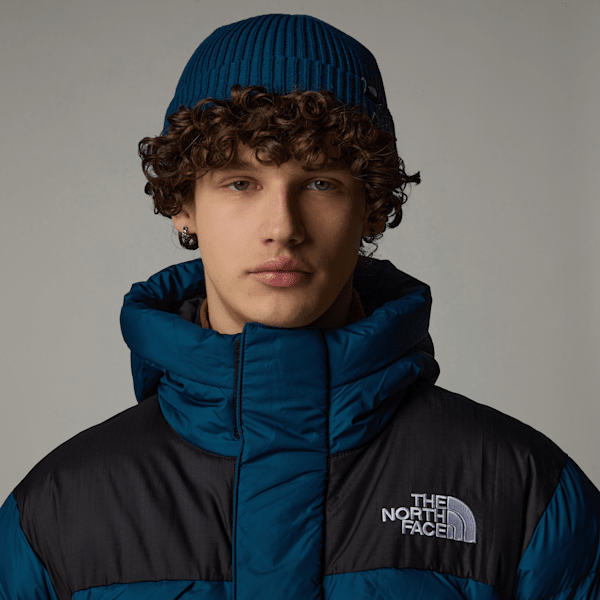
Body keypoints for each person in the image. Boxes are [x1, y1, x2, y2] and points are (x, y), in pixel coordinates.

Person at [1, 12, 598, 600]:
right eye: (240, 182)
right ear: (183, 205)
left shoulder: (525, 494)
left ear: (371, 208)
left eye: (320, 183)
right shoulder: (52, 516)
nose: (282, 227)